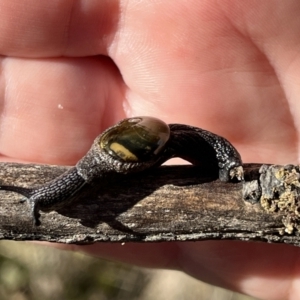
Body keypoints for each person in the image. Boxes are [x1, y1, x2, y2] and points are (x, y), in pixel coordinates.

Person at [1, 1, 299, 299]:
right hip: (130, 147)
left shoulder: (167, 141)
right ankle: (39, 198)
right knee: (160, 146)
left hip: (155, 139)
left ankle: (40, 198)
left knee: (189, 139)